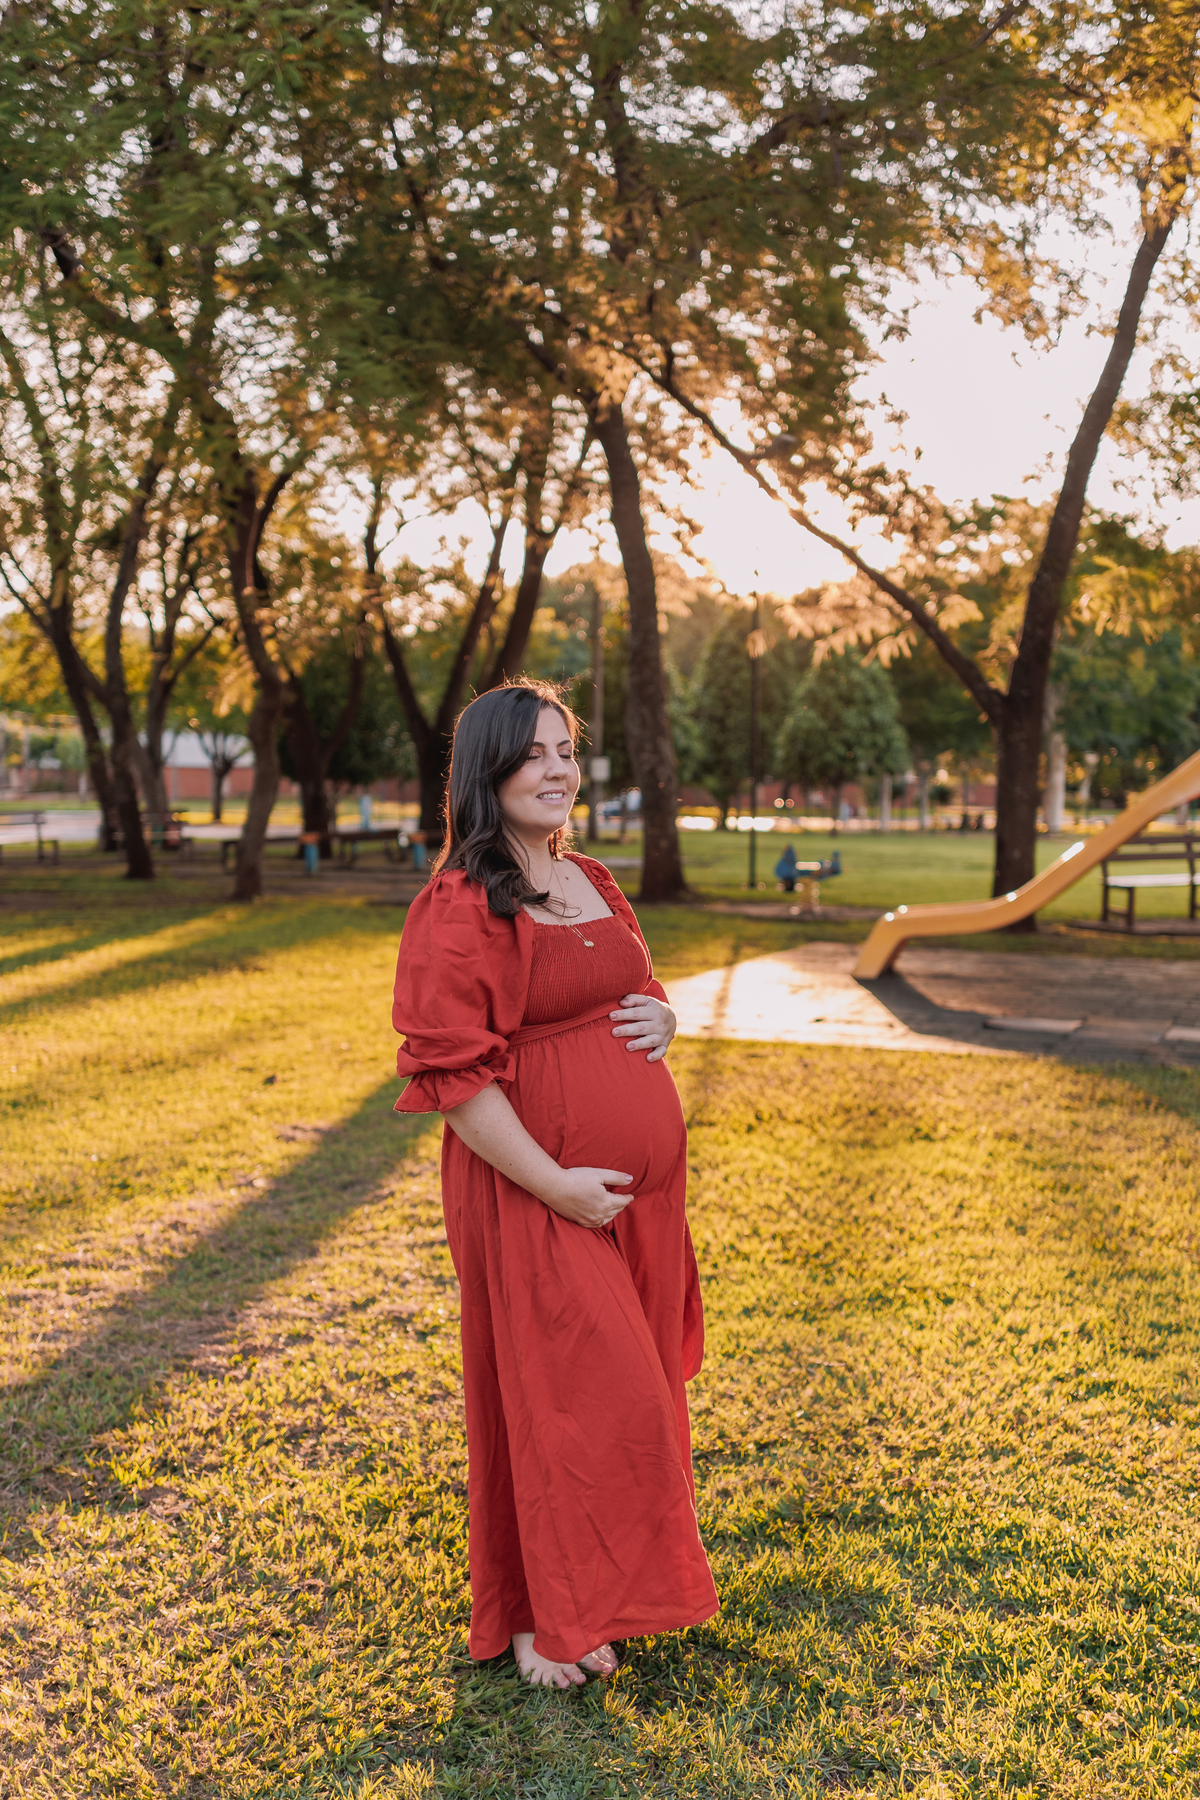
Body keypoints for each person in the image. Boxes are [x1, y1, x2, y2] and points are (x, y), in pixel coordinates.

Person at [392, 680, 718, 1690]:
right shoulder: (461, 903)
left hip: (635, 1201)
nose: (558, 769)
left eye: (568, 750)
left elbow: (636, 985)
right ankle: (539, 1617)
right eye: (534, 753)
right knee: (566, 1403)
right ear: (488, 768)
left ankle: (594, 1596)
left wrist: (663, 1018)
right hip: (535, 1190)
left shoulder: (594, 881)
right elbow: (453, 1077)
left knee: (632, 1396)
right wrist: (556, 1185)